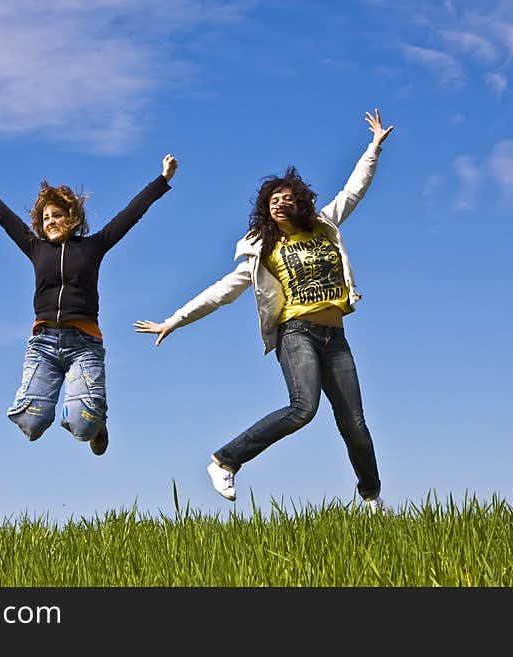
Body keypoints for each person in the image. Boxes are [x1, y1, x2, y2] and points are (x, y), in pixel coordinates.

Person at [135, 110, 392, 513]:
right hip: (297, 334)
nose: (279, 204)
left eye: (287, 198)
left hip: (335, 336)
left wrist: (373, 146)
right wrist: (174, 320)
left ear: (301, 203)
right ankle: (224, 460)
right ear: (264, 209)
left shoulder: (325, 225)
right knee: (303, 407)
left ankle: (372, 496)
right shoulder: (261, 250)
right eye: (272, 200)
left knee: (354, 425)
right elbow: (222, 292)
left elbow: (354, 188)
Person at [0, 153, 177, 456]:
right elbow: (2, 214)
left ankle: (96, 422)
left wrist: (163, 179)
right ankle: (62, 409)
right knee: (31, 423)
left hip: (84, 344)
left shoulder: (93, 246)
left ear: (72, 217)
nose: (51, 221)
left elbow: (132, 213)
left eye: (57, 215)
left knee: (83, 426)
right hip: (44, 344)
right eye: (45, 217)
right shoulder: (35, 247)